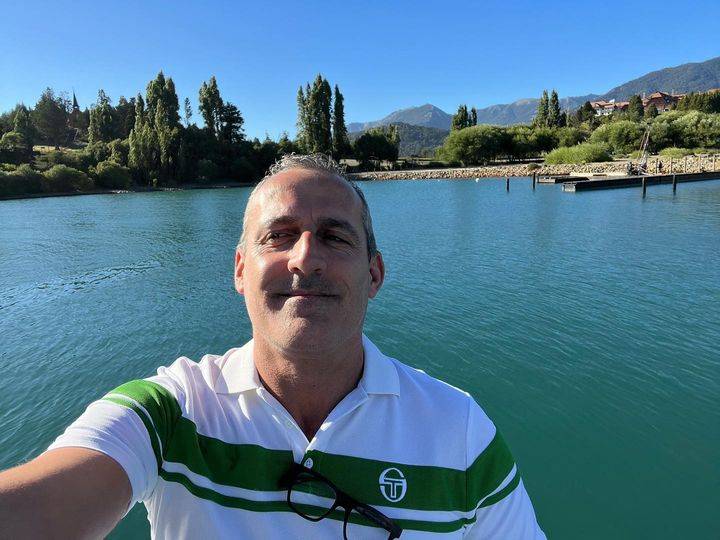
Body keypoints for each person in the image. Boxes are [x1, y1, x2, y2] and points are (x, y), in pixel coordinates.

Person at [0, 154, 546, 539]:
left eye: (335, 236)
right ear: (241, 270)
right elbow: (46, 504)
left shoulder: (462, 433)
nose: (305, 258)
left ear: (374, 275)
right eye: (278, 235)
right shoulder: (170, 414)